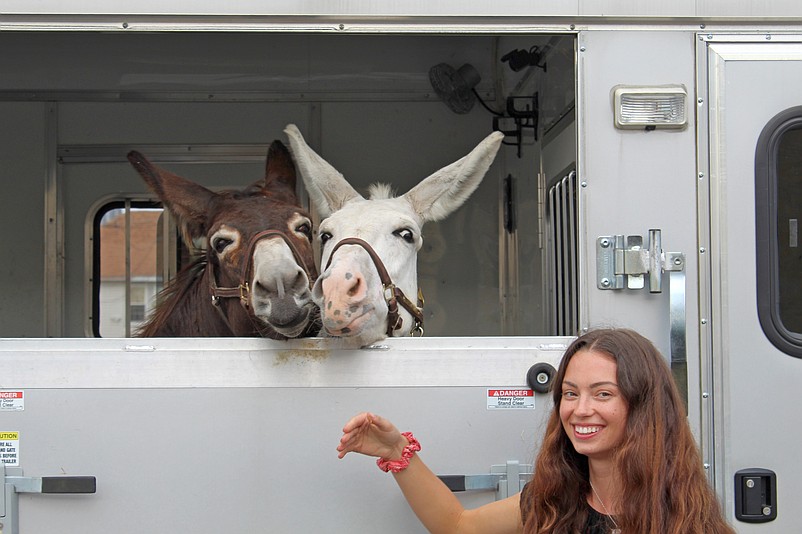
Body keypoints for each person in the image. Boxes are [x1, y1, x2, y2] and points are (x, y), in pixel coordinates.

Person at [337, 328, 736, 534]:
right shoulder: (554, 498)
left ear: (643, 404)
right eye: (570, 393)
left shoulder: (687, 516)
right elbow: (457, 525)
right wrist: (397, 452)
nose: (581, 410)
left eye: (603, 394)